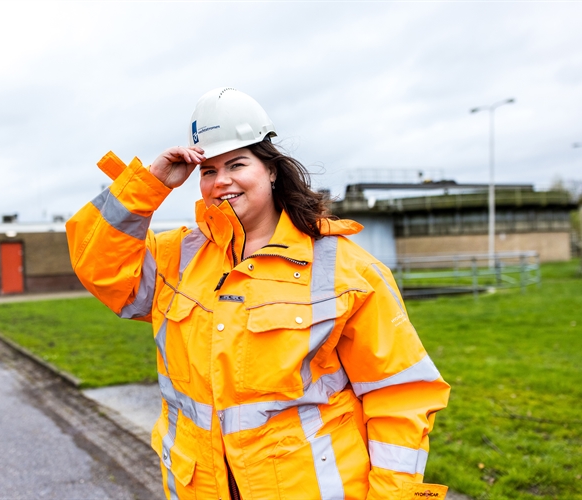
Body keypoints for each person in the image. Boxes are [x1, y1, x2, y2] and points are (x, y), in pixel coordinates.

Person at [66, 87, 450, 500]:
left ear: (270, 169)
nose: (222, 180)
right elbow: (99, 268)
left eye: (236, 163)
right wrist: (151, 183)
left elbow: (399, 396)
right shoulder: (176, 258)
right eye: (208, 170)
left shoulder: (346, 269)